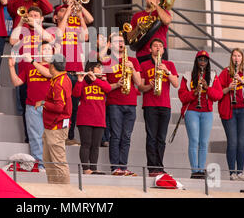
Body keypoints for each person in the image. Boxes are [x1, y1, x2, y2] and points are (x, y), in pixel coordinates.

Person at [10, 6, 54, 141]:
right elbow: (12, 41)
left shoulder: (44, 33)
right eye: (30, 15)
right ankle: (29, 137)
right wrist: (20, 23)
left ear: (41, 19)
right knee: (26, 106)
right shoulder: (23, 31)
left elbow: (51, 40)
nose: (32, 17)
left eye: (36, 15)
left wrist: (35, 24)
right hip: (25, 72)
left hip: (42, 73)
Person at [7, 41, 53, 171]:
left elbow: (49, 74)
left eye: (50, 49)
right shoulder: (29, 67)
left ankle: (51, 165)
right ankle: (40, 165)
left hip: (50, 107)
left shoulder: (55, 65)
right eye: (45, 49)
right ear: (39, 52)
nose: (48, 51)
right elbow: (17, 82)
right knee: (35, 137)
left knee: (50, 138)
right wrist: (11, 67)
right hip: (32, 107)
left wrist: (32, 61)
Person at [178, 50, 223, 179]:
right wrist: (194, 92)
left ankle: (201, 170)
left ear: (208, 62)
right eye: (200, 59)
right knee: (194, 140)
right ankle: (194, 170)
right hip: (192, 110)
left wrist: (207, 88)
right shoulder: (188, 75)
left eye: (205, 60)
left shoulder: (213, 76)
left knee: (203, 142)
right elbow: (182, 96)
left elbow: (218, 95)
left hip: (206, 112)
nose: (202, 62)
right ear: (196, 61)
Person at [53, 0, 91, 146]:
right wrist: (69, 10)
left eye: (65, 9)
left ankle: (69, 136)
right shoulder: (55, 29)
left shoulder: (75, 28)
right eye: (61, 10)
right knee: (61, 106)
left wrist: (80, 13)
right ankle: (60, 134)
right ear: (56, 16)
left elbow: (86, 35)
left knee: (73, 107)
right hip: (64, 72)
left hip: (76, 72)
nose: (65, 11)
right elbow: (60, 33)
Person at [138, 38, 179, 177]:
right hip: (150, 105)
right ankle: (152, 168)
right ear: (150, 49)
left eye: (160, 46)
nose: (158, 48)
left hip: (165, 106)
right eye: (155, 46)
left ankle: (159, 167)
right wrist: (150, 85)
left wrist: (167, 71)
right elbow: (141, 87)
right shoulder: (144, 65)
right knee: (151, 137)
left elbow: (176, 84)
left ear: (163, 50)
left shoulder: (169, 64)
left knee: (161, 138)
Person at [218, 48, 244, 181]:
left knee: (241, 142)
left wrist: (243, 83)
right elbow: (217, 93)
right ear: (231, 58)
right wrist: (229, 88)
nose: (236, 58)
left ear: (242, 58)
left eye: (239, 56)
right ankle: (232, 173)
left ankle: (240, 172)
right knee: (232, 142)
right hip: (229, 111)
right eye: (234, 56)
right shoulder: (225, 72)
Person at [104, 32, 142, 176]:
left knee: (126, 137)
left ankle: (123, 167)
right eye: (116, 41)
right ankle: (115, 168)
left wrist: (132, 68)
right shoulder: (107, 61)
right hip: (114, 103)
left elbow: (138, 83)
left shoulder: (132, 60)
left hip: (131, 102)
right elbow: (104, 84)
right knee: (116, 136)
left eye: (122, 41)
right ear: (110, 45)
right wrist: (116, 84)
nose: (120, 43)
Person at [36, 54, 72, 184]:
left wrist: (43, 103)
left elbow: (59, 107)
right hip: (52, 126)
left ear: (52, 66)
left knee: (58, 162)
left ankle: (64, 191)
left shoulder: (59, 83)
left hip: (56, 126)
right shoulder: (62, 78)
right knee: (49, 160)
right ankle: (53, 188)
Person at [72, 61, 111, 175]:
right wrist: (79, 81)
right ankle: (86, 169)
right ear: (91, 69)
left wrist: (96, 80)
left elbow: (108, 89)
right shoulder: (83, 81)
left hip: (99, 119)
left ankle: (94, 168)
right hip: (85, 118)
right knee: (86, 143)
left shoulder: (101, 81)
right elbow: (76, 94)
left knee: (95, 145)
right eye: (99, 68)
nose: (101, 70)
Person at [130, 0, 172, 64]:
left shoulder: (162, 12)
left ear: (158, 0)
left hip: (159, 52)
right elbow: (129, 37)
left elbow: (167, 21)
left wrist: (156, 5)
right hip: (142, 53)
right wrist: (137, 28)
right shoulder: (137, 15)